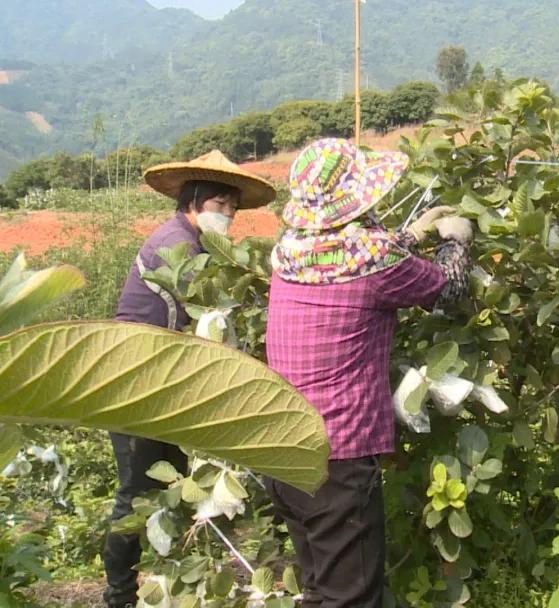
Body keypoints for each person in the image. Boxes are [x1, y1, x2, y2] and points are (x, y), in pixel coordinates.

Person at [264, 137, 472, 607]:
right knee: (352, 599)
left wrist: (413, 234)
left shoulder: (290, 250)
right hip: (337, 455)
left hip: (282, 445)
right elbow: (448, 289)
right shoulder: (373, 260)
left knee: (321, 590)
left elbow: (357, 253)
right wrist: (457, 239)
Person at [103, 150, 276, 608]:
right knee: (137, 494)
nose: (229, 217)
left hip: (163, 388)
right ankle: (119, 594)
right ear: (194, 202)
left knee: (174, 485)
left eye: (233, 210)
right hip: (133, 386)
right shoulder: (176, 244)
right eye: (222, 206)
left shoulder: (194, 242)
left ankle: (171, 579)